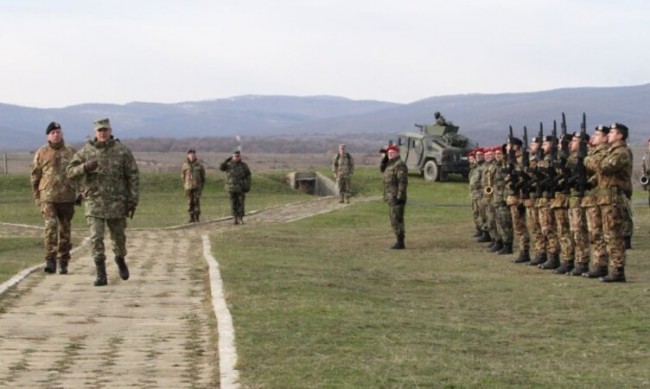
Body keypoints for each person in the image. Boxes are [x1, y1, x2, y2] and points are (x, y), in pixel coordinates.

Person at [66, 118, 139, 286]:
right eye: (100, 131)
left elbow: (133, 176)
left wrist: (132, 199)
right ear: (95, 133)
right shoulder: (86, 151)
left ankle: (120, 258)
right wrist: (84, 167)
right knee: (96, 237)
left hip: (117, 202)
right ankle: (101, 273)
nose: (103, 133)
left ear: (110, 131)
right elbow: (69, 171)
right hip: (94, 201)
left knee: (118, 238)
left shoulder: (122, 151)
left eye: (105, 130)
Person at [30, 121, 80, 275]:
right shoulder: (41, 153)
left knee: (65, 230)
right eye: (53, 133)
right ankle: (50, 260)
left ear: (62, 134)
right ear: (48, 136)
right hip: (48, 198)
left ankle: (63, 261)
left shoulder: (71, 152)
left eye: (58, 132)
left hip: (67, 197)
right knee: (50, 228)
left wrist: (81, 191)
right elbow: (35, 177)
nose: (56, 135)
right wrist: (37, 198)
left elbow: (79, 173)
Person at [597, 122, 633, 282]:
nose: (608, 135)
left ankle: (618, 270)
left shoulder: (621, 152)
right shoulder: (611, 151)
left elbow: (603, 166)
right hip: (607, 198)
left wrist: (588, 159)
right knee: (608, 235)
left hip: (615, 199)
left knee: (614, 235)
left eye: (612, 132)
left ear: (620, 135)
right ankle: (613, 268)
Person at [380, 144, 408, 249]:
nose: (390, 154)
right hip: (390, 196)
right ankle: (399, 240)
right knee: (394, 219)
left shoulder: (399, 164)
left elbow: (402, 181)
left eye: (392, 153)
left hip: (396, 197)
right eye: (388, 153)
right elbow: (382, 171)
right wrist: (384, 160)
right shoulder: (389, 165)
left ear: (397, 153)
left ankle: (400, 242)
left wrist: (400, 196)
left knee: (397, 219)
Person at [219, 150, 251, 225]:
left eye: (238, 156)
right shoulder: (229, 165)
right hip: (231, 187)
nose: (236, 157)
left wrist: (247, 185)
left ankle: (240, 218)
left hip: (240, 187)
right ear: (232, 157)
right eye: (235, 156)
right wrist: (225, 161)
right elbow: (221, 168)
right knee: (233, 203)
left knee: (241, 203)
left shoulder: (243, 165)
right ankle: (235, 218)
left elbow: (248, 175)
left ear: (240, 157)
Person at [182, 149, 206, 223]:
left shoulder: (199, 165)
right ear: (188, 155)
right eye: (190, 154)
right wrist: (185, 185)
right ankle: (191, 217)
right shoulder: (185, 165)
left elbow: (203, 177)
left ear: (195, 155)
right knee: (190, 202)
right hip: (188, 187)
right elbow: (183, 176)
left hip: (197, 187)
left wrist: (201, 186)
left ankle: (197, 217)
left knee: (196, 202)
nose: (192, 156)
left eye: (193, 154)